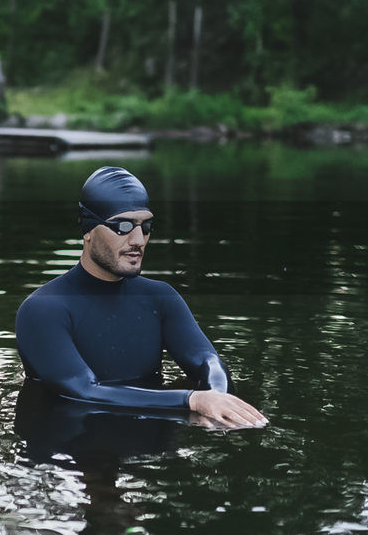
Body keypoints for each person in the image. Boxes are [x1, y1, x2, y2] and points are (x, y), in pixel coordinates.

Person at [15, 166, 268, 429]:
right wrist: (191, 400)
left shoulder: (160, 297)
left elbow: (208, 361)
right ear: (88, 230)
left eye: (145, 226)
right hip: (72, 450)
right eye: (122, 226)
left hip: (149, 452)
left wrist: (217, 398)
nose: (138, 239)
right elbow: (82, 391)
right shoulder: (43, 309)